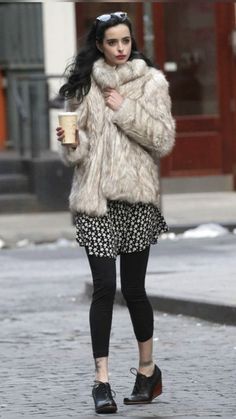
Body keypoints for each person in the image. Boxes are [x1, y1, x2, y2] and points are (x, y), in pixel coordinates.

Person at [56, 11, 175, 415]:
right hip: (96, 200)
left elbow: (162, 139)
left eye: (126, 41)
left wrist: (125, 108)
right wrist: (71, 143)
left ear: (131, 42)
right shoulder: (86, 85)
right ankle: (101, 382)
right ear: (99, 45)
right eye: (112, 42)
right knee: (105, 287)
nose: (120, 49)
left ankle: (147, 372)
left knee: (136, 290)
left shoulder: (152, 82)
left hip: (137, 200)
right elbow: (79, 148)